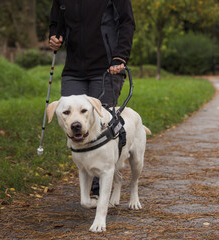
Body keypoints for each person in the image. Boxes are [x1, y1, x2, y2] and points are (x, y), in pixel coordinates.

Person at [49, 0, 135, 196]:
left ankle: (99, 185)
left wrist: (120, 56)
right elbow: (56, 23)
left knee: (102, 124)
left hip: (106, 66)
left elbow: (127, 22)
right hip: (73, 68)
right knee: (72, 119)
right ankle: (88, 178)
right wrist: (54, 37)